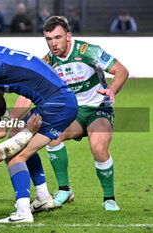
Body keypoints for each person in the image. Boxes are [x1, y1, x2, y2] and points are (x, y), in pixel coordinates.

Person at [0, 29, 78, 223]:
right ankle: (43, 197)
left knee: (13, 154)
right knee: (18, 138)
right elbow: (1, 101)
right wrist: (5, 126)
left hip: (56, 104)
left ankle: (23, 212)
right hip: (60, 101)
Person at [42, 16, 129, 210]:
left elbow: (121, 71)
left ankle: (109, 198)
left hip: (98, 109)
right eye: (48, 39)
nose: (53, 44)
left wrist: (112, 89)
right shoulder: (47, 62)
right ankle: (64, 190)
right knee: (52, 136)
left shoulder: (89, 51)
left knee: (98, 147)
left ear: (68, 36)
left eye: (57, 37)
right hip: (73, 113)